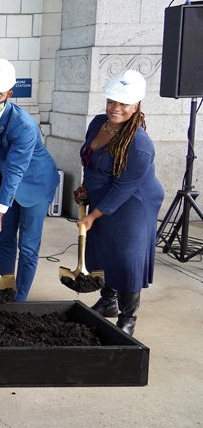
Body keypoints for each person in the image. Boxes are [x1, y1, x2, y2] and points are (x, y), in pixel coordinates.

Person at [80, 70, 163, 336]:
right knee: (105, 250)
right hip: (103, 197)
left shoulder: (139, 145)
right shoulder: (97, 123)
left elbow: (123, 188)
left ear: (136, 106)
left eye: (123, 104)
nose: (115, 108)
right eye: (111, 101)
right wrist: (85, 187)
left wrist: (92, 216)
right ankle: (108, 302)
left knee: (127, 258)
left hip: (133, 204)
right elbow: (90, 158)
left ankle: (128, 318)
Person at [0, 58, 58, 302]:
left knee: (28, 248)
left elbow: (16, 170)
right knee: (4, 240)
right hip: (9, 180)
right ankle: (2, 292)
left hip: (36, 185)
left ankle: (18, 300)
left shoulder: (24, 126)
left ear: (9, 94)